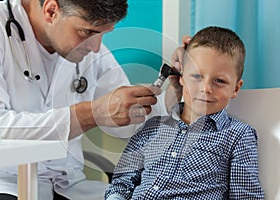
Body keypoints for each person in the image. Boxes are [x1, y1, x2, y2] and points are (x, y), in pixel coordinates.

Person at [0, 0, 172, 199]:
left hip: (69, 184)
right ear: (51, 10)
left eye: (103, 35)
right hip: (3, 181)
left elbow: (128, 125)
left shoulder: (90, 50)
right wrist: (91, 113)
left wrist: (176, 94)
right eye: (87, 33)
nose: (96, 48)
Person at [105, 26, 265, 199]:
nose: (205, 88)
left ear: (235, 88)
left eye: (219, 81)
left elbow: (246, 196)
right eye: (196, 76)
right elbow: (121, 183)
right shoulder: (150, 129)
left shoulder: (238, 136)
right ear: (181, 77)